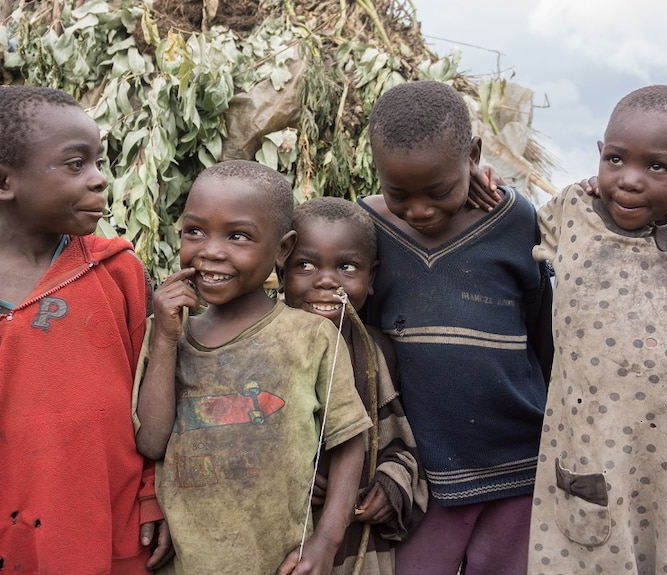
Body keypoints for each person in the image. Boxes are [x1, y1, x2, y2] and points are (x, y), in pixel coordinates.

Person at [0, 86, 171, 574]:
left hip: (114, 516)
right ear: (0, 181)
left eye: (97, 162)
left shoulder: (118, 271)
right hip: (2, 525)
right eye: (75, 165)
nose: (99, 180)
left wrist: (152, 494)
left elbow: (148, 391)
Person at [527, 84, 667, 575]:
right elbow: (504, 214)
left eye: (657, 167)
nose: (630, 181)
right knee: (591, 546)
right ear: (600, 155)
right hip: (593, 434)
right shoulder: (572, 214)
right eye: (616, 160)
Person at [134, 160, 372, 574]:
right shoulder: (164, 332)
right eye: (194, 231)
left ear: (282, 249)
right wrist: (167, 340)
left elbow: (349, 441)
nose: (210, 250)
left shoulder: (310, 337)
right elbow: (152, 443)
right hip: (189, 561)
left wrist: (326, 542)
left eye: (238, 236)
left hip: (281, 560)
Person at [358, 80, 553, 575]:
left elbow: (541, 328)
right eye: (398, 193)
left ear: (473, 155)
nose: (419, 210)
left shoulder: (515, 220)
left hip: (516, 457)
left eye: (439, 191)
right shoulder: (363, 232)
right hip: (421, 466)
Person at [280, 197, 428, 574]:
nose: (327, 280)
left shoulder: (376, 353)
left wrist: (389, 486)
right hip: (276, 531)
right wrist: (287, 475)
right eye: (305, 265)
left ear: (372, 278)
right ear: (280, 268)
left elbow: (398, 443)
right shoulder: (265, 344)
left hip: (354, 543)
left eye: (346, 267)